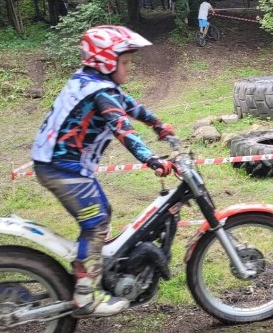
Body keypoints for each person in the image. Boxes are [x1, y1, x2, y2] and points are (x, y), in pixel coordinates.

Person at [31, 25, 175, 317]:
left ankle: (93, 268)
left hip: (59, 163)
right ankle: (85, 295)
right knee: (96, 222)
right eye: (125, 63)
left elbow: (129, 105)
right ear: (107, 63)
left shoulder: (91, 82)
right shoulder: (100, 91)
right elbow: (123, 128)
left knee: (102, 214)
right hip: (63, 168)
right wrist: (152, 160)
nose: (129, 68)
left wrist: (159, 125)